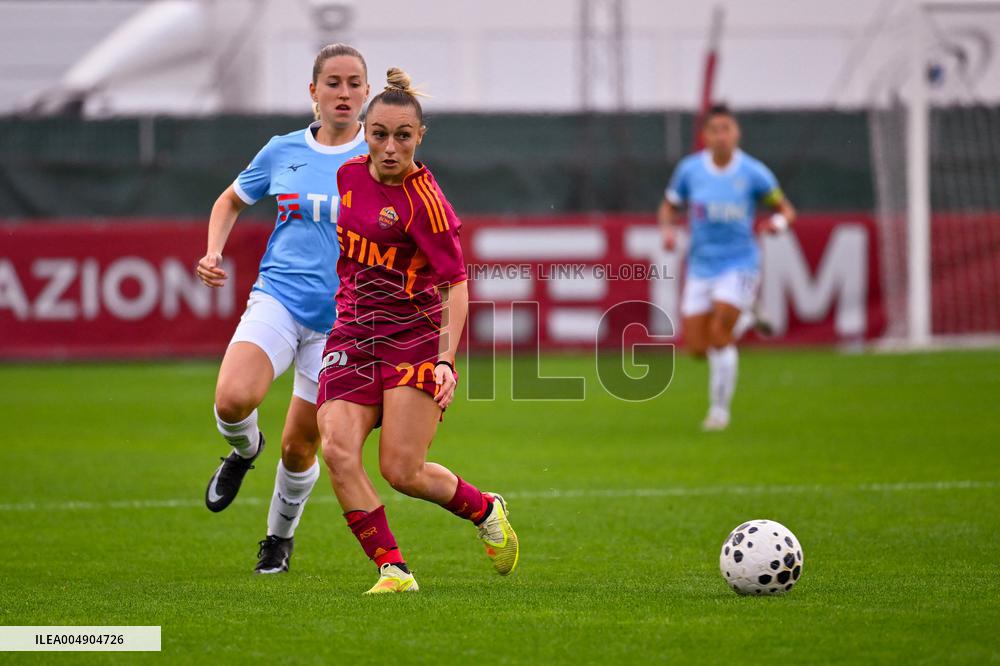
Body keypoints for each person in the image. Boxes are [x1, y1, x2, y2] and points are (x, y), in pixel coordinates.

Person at [316, 67, 519, 594]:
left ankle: (484, 509)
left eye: (402, 136)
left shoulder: (426, 203)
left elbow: (457, 285)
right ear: (364, 131)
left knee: (402, 471)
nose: (390, 147)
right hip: (353, 336)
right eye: (379, 134)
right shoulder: (348, 176)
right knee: (336, 449)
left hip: (413, 337)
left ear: (420, 136)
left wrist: (446, 360)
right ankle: (394, 570)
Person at [195, 44, 370, 574]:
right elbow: (230, 199)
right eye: (333, 83)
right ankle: (245, 450)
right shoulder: (282, 150)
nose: (344, 93)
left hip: (341, 324)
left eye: (354, 83)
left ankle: (278, 539)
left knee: (299, 450)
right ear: (313, 91)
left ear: (367, 92)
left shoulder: (380, 158)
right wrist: (213, 251)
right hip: (279, 298)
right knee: (232, 400)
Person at [658, 104, 796, 431]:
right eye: (714, 130)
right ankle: (746, 316)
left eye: (726, 129)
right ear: (704, 136)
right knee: (697, 348)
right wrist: (667, 230)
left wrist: (778, 224)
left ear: (737, 133)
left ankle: (719, 412)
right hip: (701, 266)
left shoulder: (754, 173)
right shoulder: (690, 171)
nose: (721, 136)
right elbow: (669, 207)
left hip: (740, 263)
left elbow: (786, 210)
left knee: (720, 335)